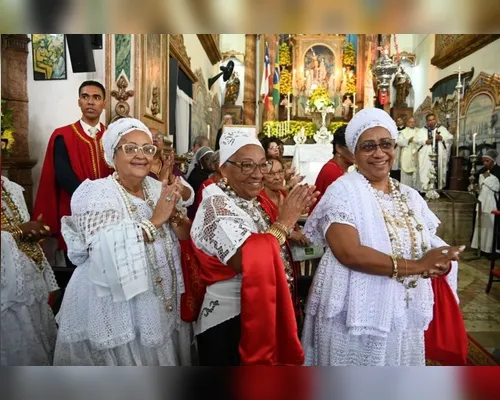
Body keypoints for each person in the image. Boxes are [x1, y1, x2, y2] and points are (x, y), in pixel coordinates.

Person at [301, 108, 464, 366]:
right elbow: (349, 253)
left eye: (386, 144)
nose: (379, 153)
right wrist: (420, 265)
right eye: (368, 146)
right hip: (352, 310)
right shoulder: (342, 191)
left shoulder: (409, 194)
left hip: (401, 310)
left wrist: (442, 259)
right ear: (354, 153)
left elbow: (428, 239)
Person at [53, 118, 195, 366]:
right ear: (112, 155)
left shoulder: (154, 186)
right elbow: (103, 249)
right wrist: (156, 220)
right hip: (115, 304)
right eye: (130, 148)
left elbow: (184, 235)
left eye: (147, 149)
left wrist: (174, 213)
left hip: (159, 300)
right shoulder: (96, 193)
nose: (141, 155)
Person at [190, 129, 319, 366]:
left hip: (257, 312)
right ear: (223, 168)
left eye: (262, 166)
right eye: (246, 166)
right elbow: (246, 258)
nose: (257, 174)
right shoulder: (215, 206)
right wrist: (285, 223)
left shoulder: (250, 200)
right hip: (229, 320)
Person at [33, 80, 113, 257]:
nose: (90, 102)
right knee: (77, 267)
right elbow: (64, 176)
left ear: (104, 104)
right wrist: (92, 201)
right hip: (75, 211)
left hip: (109, 214)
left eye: (96, 97)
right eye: (85, 97)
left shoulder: (112, 137)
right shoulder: (63, 135)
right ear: (79, 102)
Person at [1, 176, 59, 365]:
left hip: (28, 283)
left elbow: (21, 227)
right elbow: (18, 230)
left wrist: (35, 232)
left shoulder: (10, 187)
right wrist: (20, 231)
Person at [311, 125, 354, 212]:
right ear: (339, 148)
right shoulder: (332, 172)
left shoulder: (337, 168)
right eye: (351, 147)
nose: (356, 152)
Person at [471, 149, 500, 254]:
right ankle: (480, 247)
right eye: (484, 161)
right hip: (482, 201)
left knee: (490, 227)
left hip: (492, 202)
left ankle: (489, 250)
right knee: (481, 225)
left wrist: (487, 179)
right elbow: (480, 185)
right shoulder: (482, 170)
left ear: (493, 161)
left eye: (487, 161)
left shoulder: (498, 171)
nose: (485, 163)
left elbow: (497, 187)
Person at [415, 113, 453, 190]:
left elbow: (450, 138)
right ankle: (426, 189)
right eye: (429, 120)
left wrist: (442, 138)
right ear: (426, 122)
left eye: (433, 119)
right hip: (426, 156)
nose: (432, 121)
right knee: (425, 170)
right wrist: (425, 141)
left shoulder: (442, 129)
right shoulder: (421, 131)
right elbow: (416, 140)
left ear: (436, 120)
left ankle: (438, 189)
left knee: (439, 170)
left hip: (439, 156)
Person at [187, 146, 214, 219]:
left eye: (213, 159)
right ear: (200, 161)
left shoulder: (209, 174)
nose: (211, 162)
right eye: (207, 159)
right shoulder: (197, 176)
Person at [397, 116, 420, 190]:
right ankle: (405, 190)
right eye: (410, 122)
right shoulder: (403, 132)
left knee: (417, 172)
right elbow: (399, 142)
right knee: (406, 174)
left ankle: (417, 191)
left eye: (413, 122)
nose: (412, 123)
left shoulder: (419, 131)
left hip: (417, 154)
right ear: (407, 123)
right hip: (407, 154)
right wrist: (408, 140)